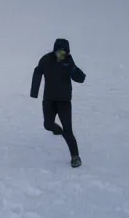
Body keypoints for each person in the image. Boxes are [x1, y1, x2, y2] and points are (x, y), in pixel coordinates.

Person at [30, 38, 87, 167]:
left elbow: (80, 78)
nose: (62, 55)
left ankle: (75, 157)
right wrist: (34, 92)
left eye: (64, 52)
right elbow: (38, 72)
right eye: (59, 51)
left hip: (64, 101)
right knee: (48, 124)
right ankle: (57, 130)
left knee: (68, 130)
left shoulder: (68, 62)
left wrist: (73, 70)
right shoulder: (46, 60)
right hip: (49, 99)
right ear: (55, 50)